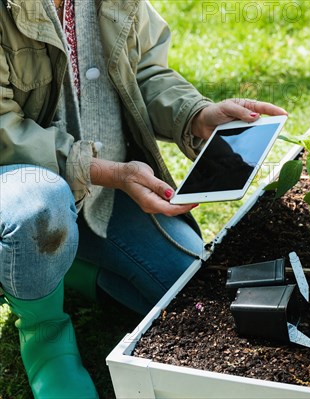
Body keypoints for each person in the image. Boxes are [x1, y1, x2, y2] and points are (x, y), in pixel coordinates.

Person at [0, 1, 287, 398]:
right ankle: (46, 337)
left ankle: (63, 267)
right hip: (23, 186)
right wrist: (110, 172)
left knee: (185, 289)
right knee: (40, 205)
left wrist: (195, 114)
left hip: (106, 195)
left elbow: (143, 71)